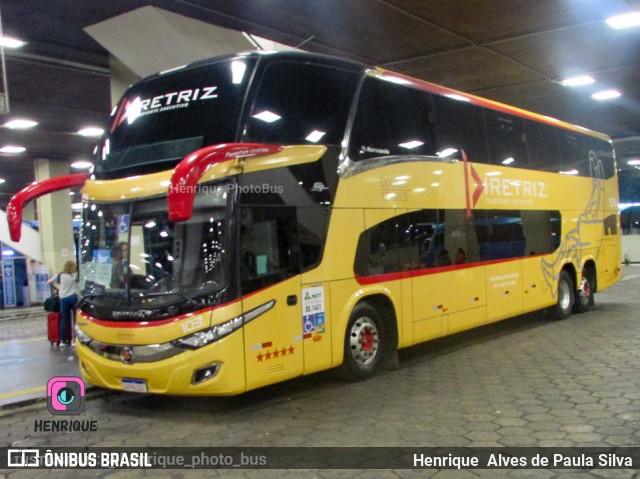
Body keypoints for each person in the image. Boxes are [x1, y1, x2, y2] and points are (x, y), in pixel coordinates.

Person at [47, 261, 79, 347]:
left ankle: (63, 341)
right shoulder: (75, 275)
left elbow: (49, 281)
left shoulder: (60, 275)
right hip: (73, 297)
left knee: (64, 319)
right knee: (75, 320)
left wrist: (57, 289)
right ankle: (75, 340)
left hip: (63, 299)